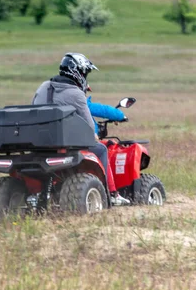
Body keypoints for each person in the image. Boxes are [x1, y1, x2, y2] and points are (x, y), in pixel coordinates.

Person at [32, 52, 130, 206]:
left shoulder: (44, 86)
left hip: (36, 142)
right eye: (85, 73)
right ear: (77, 72)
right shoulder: (76, 94)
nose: (85, 77)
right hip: (63, 144)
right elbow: (89, 124)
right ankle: (111, 194)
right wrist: (94, 135)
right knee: (101, 149)